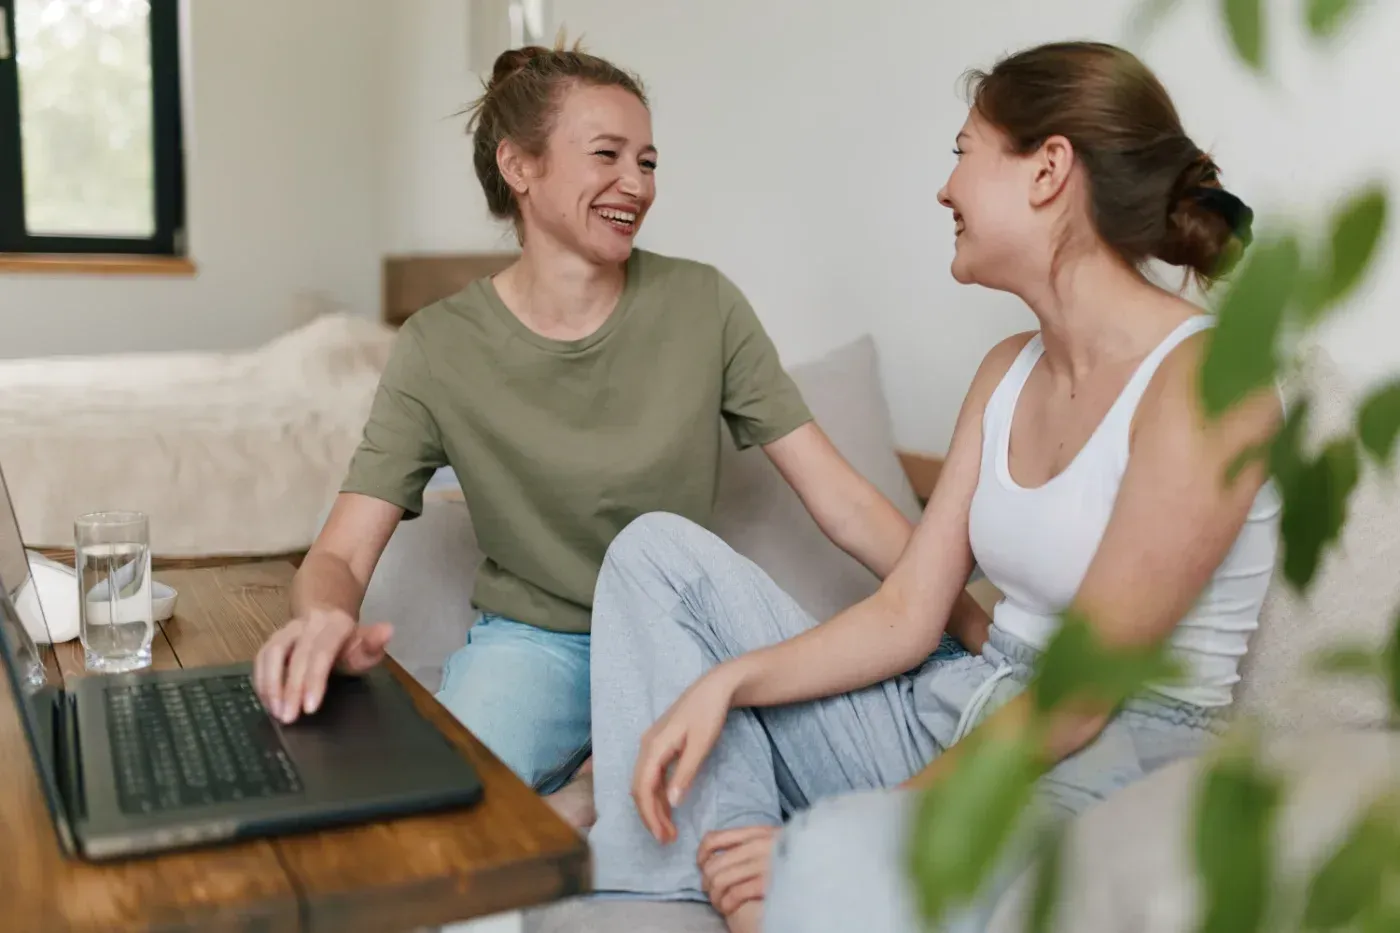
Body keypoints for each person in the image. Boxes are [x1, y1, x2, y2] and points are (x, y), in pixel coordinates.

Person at [585, 40, 1282, 933]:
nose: (945, 187)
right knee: (655, 556)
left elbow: (1074, 703)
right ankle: (708, 887)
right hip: (968, 707)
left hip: (1106, 761)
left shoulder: (1208, 382)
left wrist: (860, 827)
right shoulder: (1005, 372)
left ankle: (788, 879)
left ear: (1049, 169)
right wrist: (727, 681)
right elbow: (907, 612)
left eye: (963, 152)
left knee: (836, 855)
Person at [249, 41, 991, 818]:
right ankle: (588, 787)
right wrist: (325, 620)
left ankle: (598, 789)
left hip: (682, 634)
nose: (635, 184)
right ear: (520, 166)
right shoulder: (439, 345)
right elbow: (338, 551)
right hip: (534, 642)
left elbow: (842, 500)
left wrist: (975, 624)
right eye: (608, 154)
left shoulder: (704, 304)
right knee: (432, 805)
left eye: (648, 161)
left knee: (775, 799)